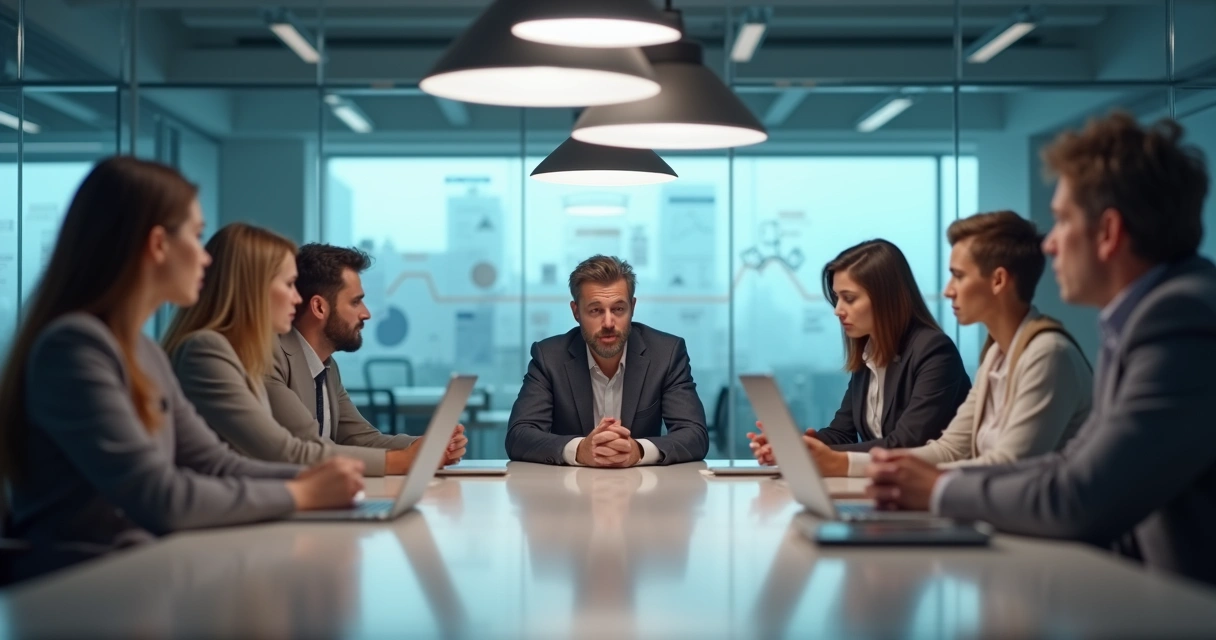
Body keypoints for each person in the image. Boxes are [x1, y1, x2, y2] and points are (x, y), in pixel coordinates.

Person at [867, 112, 1216, 586]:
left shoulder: (1178, 320)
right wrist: (921, 479)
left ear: (1109, 233)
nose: (1049, 245)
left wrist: (940, 490)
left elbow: (1082, 495)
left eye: (1062, 220)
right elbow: (1072, 466)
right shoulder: (1143, 317)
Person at [0, 157, 363, 549]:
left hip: (136, 570)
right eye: (195, 236)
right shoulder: (74, 348)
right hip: (79, 587)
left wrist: (311, 480)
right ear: (157, 245)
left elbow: (213, 462)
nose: (205, 258)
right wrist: (303, 494)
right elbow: (159, 495)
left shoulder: (144, 352)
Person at [814, 212, 1094, 476]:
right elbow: (950, 450)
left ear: (998, 280)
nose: (948, 290)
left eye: (958, 276)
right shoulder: (998, 354)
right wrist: (852, 463)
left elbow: (1008, 467)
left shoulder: (1047, 354)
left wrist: (854, 465)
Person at [162, 225, 431, 477]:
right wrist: (401, 461)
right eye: (289, 284)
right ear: (253, 290)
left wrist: (424, 446)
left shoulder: (304, 362)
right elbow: (285, 452)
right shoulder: (211, 352)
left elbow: (353, 438)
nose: (296, 297)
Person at [748, 240, 971, 476]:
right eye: (837, 298)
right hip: (887, 486)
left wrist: (817, 455)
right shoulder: (870, 353)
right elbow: (841, 433)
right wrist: (792, 446)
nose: (838, 310)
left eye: (850, 298)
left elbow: (905, 443)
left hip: (936, 492)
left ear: (887, 299)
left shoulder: (934, 351)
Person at [264, 244, 467, 476]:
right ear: (319, 307)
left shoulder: (326, 367)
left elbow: (361, 439)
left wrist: (429, 447)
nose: (366, 313)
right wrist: (406, 460)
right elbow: (311, 448)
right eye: (355, 302)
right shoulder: (272, 358)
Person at [506, 255, 709, 466]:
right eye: (595, 310)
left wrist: (638, 451)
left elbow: (695, 435)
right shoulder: (549, 357)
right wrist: (579, 450)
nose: (609, 322)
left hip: (642, 489)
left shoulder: (666, 354)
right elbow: (519, 436)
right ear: (576, 312)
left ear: (632, 307)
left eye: (618, 309)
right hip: (567, 491)